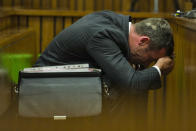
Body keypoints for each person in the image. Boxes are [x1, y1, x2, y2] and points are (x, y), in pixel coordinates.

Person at [34, 10, 174, 89]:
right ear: (143, 41)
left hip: (65, 87)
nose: (147, 64)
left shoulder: (116, 23)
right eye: (150, 58)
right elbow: (131, 82)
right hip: (45, 90)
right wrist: (159, 68)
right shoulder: (103, 35)